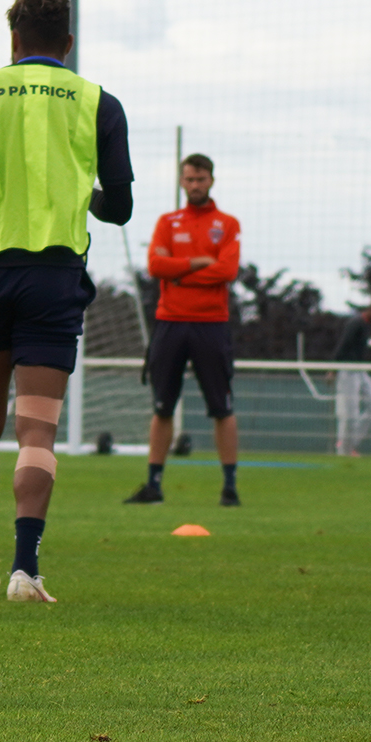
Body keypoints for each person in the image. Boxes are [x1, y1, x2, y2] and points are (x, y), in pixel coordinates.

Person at [0, 0, 133, 603]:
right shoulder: (99, 101)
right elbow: (120, 207)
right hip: (53, 282)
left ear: (14, 39)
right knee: (37, 432)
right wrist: (82, 195)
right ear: (67, 44)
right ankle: (25, 569)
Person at [122, 154, 242, 507]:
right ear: (181, 181)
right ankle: (154, 485)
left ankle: (230, 488)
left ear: (211, 180)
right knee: (162, 407)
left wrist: (180, 273)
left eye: (201, 179)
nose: (195, 185)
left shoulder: (227, 223)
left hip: (212, 325)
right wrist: (195, 263)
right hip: (170, 323)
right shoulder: (167, 222)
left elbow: (227, 270)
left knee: (222, 408)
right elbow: (156, 265)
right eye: (189, 179)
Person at [332, 302, 371, 456]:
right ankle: (345, 449)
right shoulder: (355, 323)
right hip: (348, 370)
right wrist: (333, 368)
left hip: (360, 370)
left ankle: (349, 442)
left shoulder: (367, 325)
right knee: (350, 413)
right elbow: (343, 345)